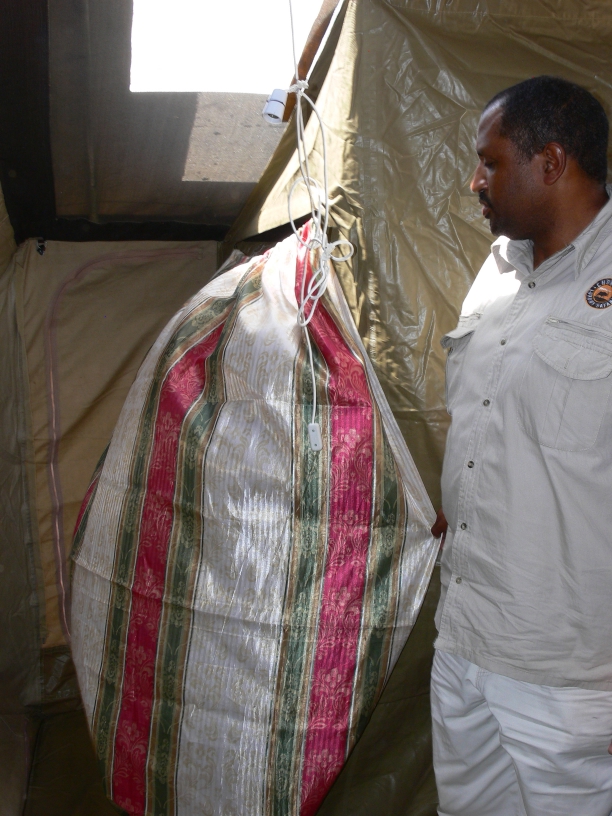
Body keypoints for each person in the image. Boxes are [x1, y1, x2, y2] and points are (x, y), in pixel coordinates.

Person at [430, 75, 612, 816]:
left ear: (551, 162)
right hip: (465, 637)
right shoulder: (499, 270)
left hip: (566, 673)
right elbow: (486, 422)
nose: (475, 182)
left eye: (490, 161)